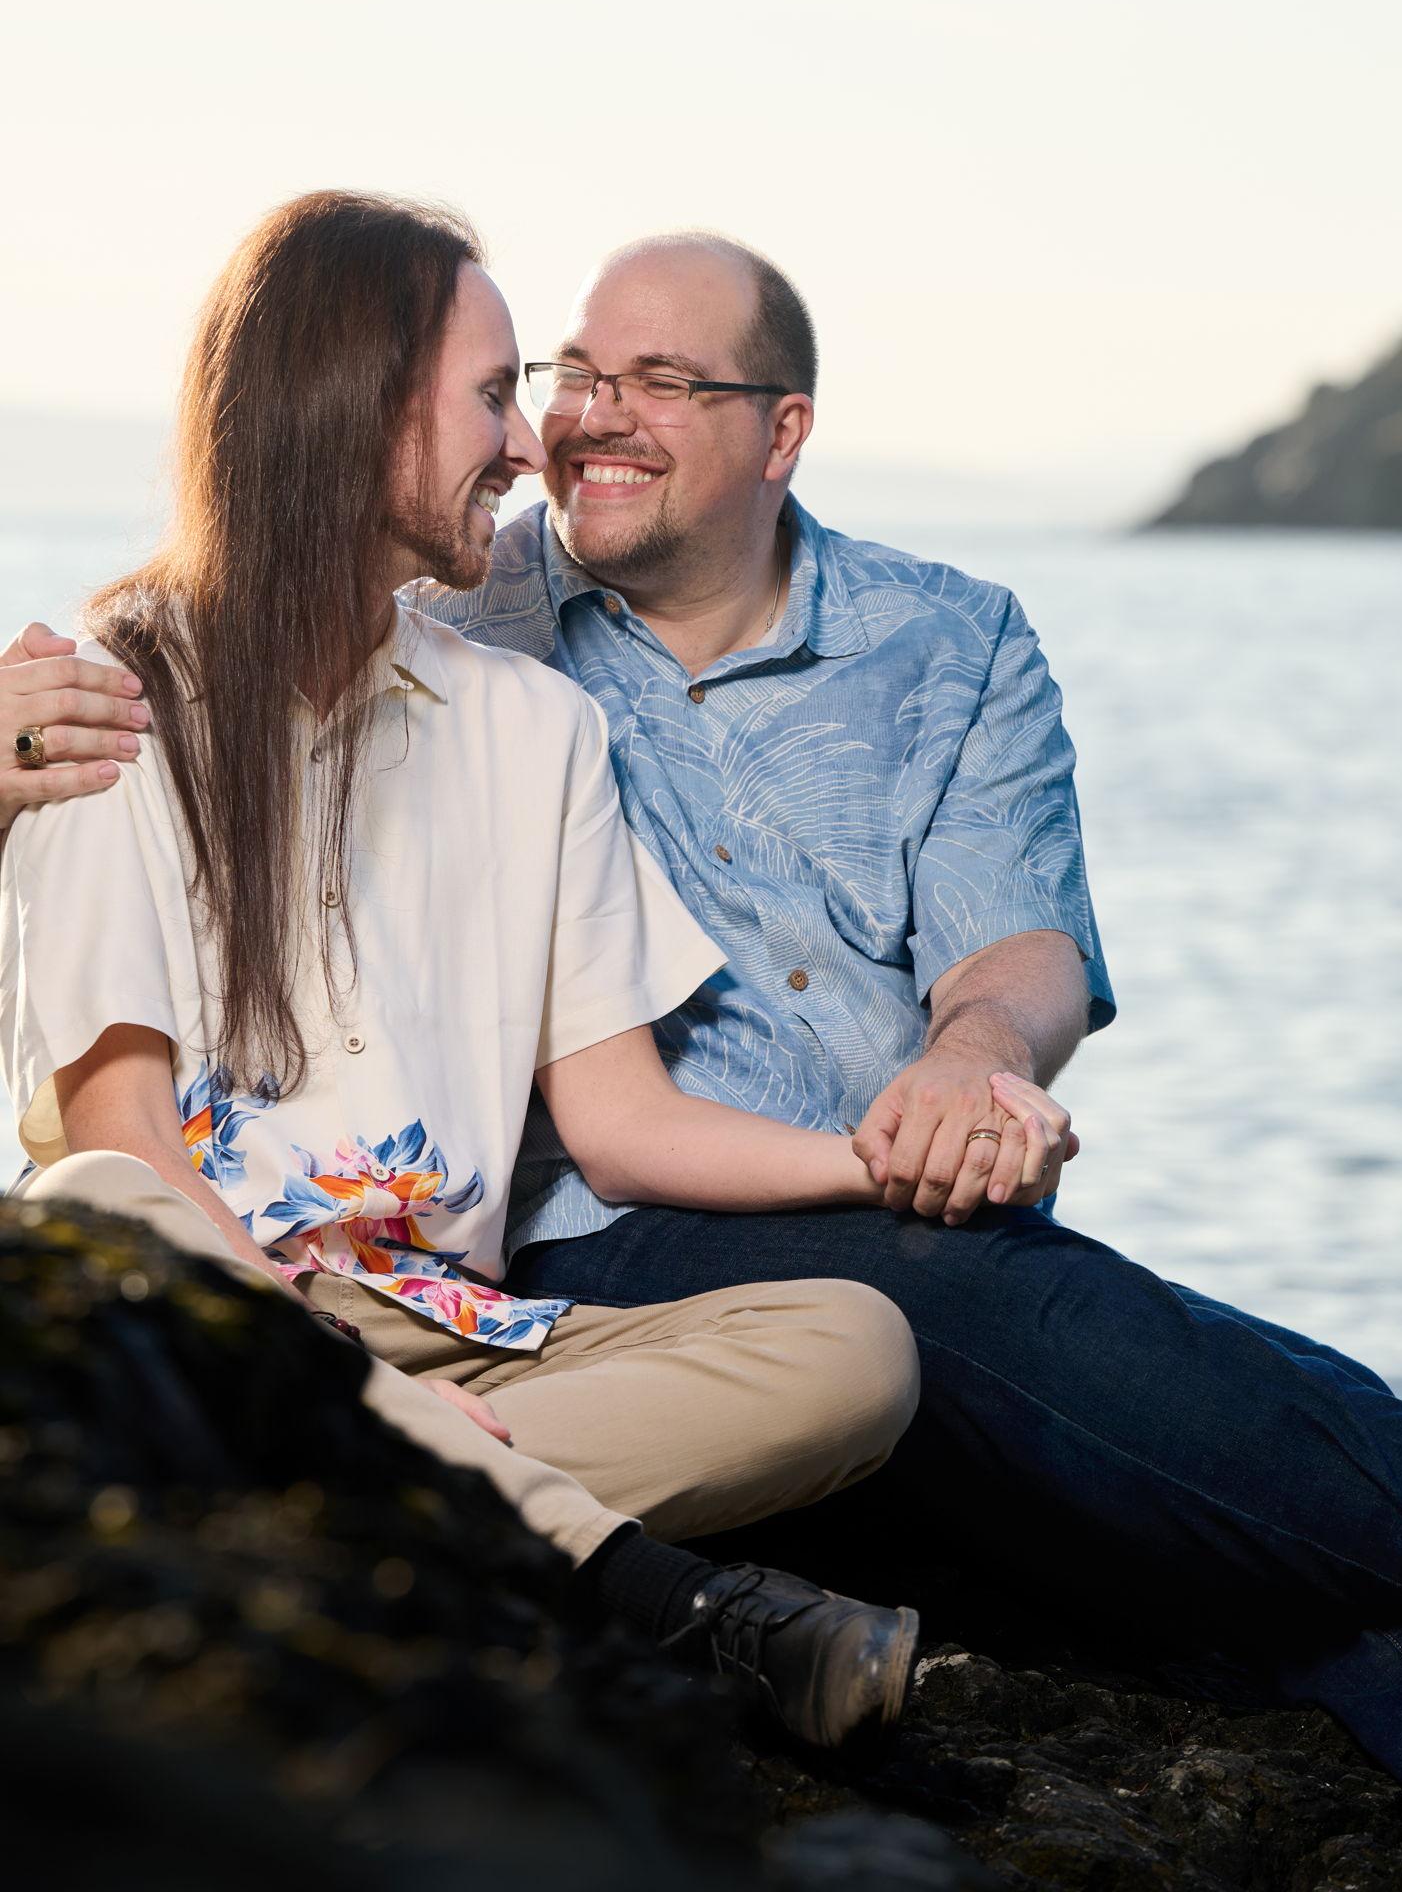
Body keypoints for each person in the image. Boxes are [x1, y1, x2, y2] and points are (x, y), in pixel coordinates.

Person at [7, 228, 1402, 1863]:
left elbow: (1015, 950)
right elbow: (223, 663)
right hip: (579, 1259)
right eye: (553, 378)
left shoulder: (928, 641)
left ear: (782, 430)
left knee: (1024, 1460)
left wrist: (961, 1089)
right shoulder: (445, 622)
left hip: (814, 1233)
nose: (570, 425)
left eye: (650, 382)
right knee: (968, 1336)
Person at [0, 191, 964, 1753]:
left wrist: (902, 1153)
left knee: (856, 1348)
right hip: (205, 1311)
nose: (531, 447)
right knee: (89, 1202)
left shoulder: (534, 729)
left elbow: (623, 1122)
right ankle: (656, 1598)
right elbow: (125, 1140)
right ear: (356, 408)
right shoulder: (108, 705)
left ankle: (335, 1502)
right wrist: (314, 1360)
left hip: (458, 1333)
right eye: (495, 394)